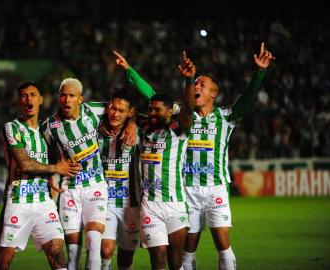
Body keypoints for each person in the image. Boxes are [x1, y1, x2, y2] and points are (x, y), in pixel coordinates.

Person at [114, 42, 275, 270]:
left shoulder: (226, 116)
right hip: (186, 188)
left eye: (203, 83)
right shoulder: (182, 116)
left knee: (222, 242)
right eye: (195, 82)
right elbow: (154, 96)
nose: (197, 85)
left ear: (213, 93)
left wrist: (259, 72)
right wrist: (130, 70)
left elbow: (248, 98)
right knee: (188, 247)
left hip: (216, 186)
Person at [43, 78, 136, 270]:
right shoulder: (49, 127)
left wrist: (131, 124)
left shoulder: (95, 110)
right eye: (63, 95)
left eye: (71, 95)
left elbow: (124, 111)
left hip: (95, 186)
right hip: (70, 190)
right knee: (73, 255)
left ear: (80, 99)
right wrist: (53, 170)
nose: (66, 99)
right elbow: (45, 153)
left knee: (95, 244)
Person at [0, 81, 82, 270]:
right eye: (24, 96)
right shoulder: (12, 128)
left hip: (44, 202)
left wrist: (51, 177)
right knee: (2, 263)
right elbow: (24, 164)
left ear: (41, 100)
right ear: (19, 102)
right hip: (19, 200)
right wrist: (56, 169)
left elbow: (53, 155)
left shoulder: (46, 131)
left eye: (33, 95)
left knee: (58, 256)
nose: (29, 99)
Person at [129, 52, 196, 270]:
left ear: (170, 111)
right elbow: (126, 111)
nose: (151, 113)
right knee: (158, 259)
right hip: (150, 206)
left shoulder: (179, 129)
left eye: (157, 109)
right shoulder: (144, 128)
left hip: (176, 204)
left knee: (175, 261)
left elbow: (188, 109)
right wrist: (131, 121)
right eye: (150, 108)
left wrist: (188, 80)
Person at [98, 89, 141, 270]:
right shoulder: (96, 130)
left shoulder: (139, 132)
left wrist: (133, 123)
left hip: (131, 204)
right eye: (113, 108)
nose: (115, 113)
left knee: (126, 257)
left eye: (121, 110)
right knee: (105, 250)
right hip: (105, 201)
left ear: (130, 112)